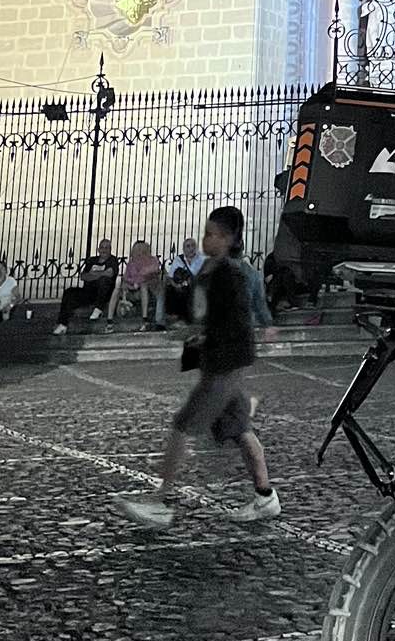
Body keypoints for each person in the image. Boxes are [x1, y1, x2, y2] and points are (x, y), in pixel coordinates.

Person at [117, 205, 279, 529]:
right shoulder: (210, 270)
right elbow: (193, 308)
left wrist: (205, 338)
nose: (205, 239)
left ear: (229, 238)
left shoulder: (230, 274)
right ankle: (265, 497)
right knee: (241, 430)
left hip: (223, 368)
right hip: (222, 366)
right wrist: (160, 286)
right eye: (205, 233)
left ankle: (160, 501)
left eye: (211, 234)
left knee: (182, 425)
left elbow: (232, 323)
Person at [52, 238, 120, 334]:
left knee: (104, 281)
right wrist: (100, 274)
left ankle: (99, 308)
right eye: (102, 247)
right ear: (98, 249)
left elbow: (110, 274)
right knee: (69, 292)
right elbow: (84, 276)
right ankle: (62, 324)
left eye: (107, 248)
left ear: (110, 249)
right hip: (89, 291)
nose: (104, 250)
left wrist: (93, 275)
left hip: (104, 294)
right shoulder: (92, 260)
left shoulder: (112, 260)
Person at [116, 239, 164, 327]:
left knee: (144, 286)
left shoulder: (153, 260)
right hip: (133, 288)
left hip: (149, 288)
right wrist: (133, 284)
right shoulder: (131, 263)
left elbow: (151, 271)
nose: (140, 252)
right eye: (137, 250)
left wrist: (138, 280)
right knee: (118, 287)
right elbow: (126, 277)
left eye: (142, 250)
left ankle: (146, 317)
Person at [163, 238, 205, 323]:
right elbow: (170, 277)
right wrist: (176, 285)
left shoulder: (202, 259)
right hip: (182, 286)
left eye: (193, 246)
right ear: (184, 249)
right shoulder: (178, 260)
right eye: (188, 246)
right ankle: (174, 316)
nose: (191, 248)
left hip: (197, 286)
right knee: (171, 290)